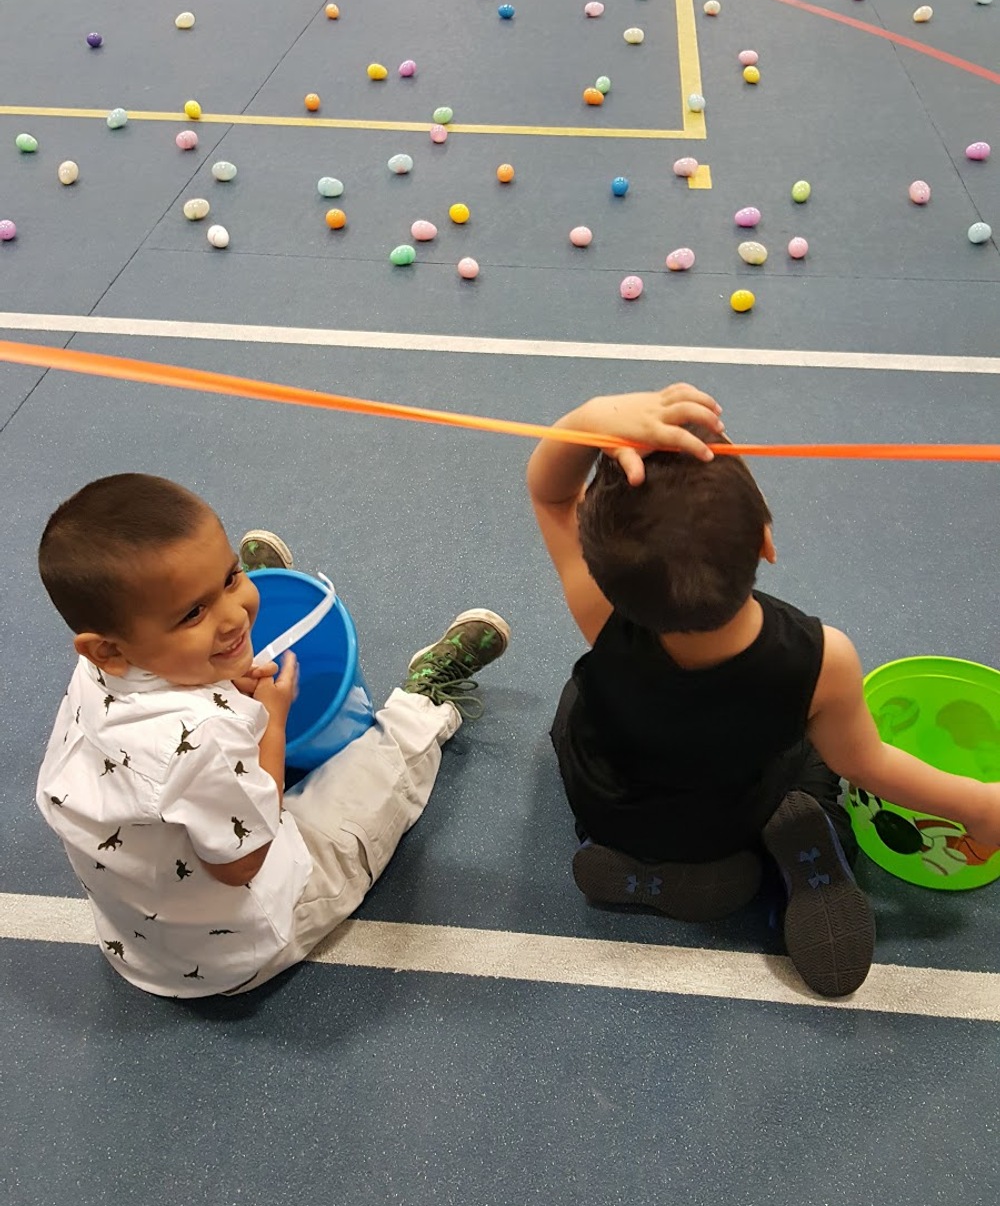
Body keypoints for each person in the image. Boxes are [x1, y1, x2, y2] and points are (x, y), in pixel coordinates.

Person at [527, 384, 1000, 998]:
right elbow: (871, 764)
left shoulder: (598, 609)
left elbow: (548, 488)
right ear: (765, 541)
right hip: (731, 817)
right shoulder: (822, 659)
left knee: (576, 705)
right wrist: (981, 808)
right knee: (817, 764)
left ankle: (640, 864)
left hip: (614, 800)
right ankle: (808, 865)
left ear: (601, 566)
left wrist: (594, 416)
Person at [36, 475, 509, 999]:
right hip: (243, 943)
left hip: (146, 943)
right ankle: (426, 700)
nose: (235, 613)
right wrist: (273, 722)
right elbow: (244, 864)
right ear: (108, 650)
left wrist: (215, 660)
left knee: (225, 659)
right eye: (193, 610)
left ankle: (223, 606)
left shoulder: (102, 673)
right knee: (371, 789)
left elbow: (170, 738)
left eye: (231, 578)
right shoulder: (204, 738)